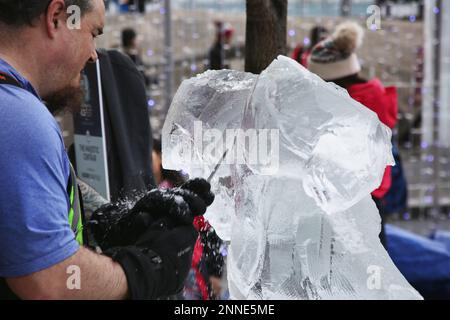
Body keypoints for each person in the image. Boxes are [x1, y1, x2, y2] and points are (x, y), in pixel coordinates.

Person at [0, 0, 214, 300]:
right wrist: (141, 272)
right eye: (94, 32)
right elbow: (52, 282)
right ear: (58, 17)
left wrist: (108, 219)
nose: (92, 55)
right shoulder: (18, 116)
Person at [308, 21, 398, 248]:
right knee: (374, 265)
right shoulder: (373, 95)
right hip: (374, 196)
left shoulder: (341, 104)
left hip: (344, 201)